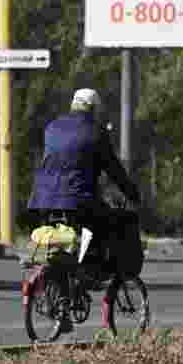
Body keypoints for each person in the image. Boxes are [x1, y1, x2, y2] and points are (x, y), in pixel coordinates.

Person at [27, 88, 142, 281]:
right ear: (94, 109)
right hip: (78, 201)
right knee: (110, 223)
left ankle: (63, 281)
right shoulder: (97, 132)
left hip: (42, 200)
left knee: (59, 236)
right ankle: (93, 272)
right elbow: (114, 170)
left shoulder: (52, 127)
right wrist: (132, 194)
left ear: (73, 105)